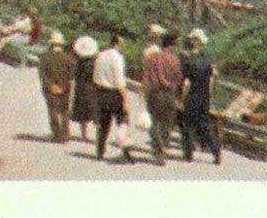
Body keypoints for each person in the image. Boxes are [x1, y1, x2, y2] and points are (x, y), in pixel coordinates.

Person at [178, 28, 221, 164]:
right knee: (204, 125)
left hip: (192, 96)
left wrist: (181, 98)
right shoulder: (206, 60)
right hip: (204, 97)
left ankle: (188, 152)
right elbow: (214, 74)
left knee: (187, 125)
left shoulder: (188, 61)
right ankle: (215, 151)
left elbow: (185, 83)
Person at [142, 30, 184, 165]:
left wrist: (144, 91)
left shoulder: (153, 58)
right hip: (170, 94)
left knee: (154, 122)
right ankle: (162, 146)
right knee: (167, 123)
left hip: (155, 93)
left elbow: (147, 76)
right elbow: (179, 78)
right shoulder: (175, 60)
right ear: (172, 45)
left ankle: (158, 150)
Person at [92, 34, 133, 162]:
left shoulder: (100, 55)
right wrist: (125, 99)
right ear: (118, 44)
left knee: (103, 124)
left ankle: (100, 151)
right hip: (114, 93)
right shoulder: (118, 58)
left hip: (101, 91)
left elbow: (95, 76)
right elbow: (119, 81)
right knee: (122, 122)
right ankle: (126, 151)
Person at [36, 31, 75, 143]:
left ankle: (56, 134)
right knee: (64, 111)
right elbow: (71, 74)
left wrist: (50, 85)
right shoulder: (67, 58)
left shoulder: (45, 57)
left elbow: (42, 74)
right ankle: (65, 134)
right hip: (65, 87)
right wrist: (64, 84)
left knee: (53, 111)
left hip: (50, 87)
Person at [70, 36, 99, 142]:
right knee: (95, 112)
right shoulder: (94, 63)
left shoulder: (78, 63)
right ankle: (98, 134)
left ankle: (84, 134)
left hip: (81, 88)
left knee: (83, 113)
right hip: (92, 88)